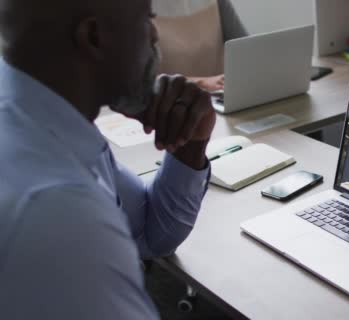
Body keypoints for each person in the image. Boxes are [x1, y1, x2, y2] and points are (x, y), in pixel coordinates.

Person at [0, 0, 216, 318]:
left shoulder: (46, 119)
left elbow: (150, 236)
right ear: (95, 37)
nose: (155, 35)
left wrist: (190, 144)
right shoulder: (60, 213)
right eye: (147, 20)